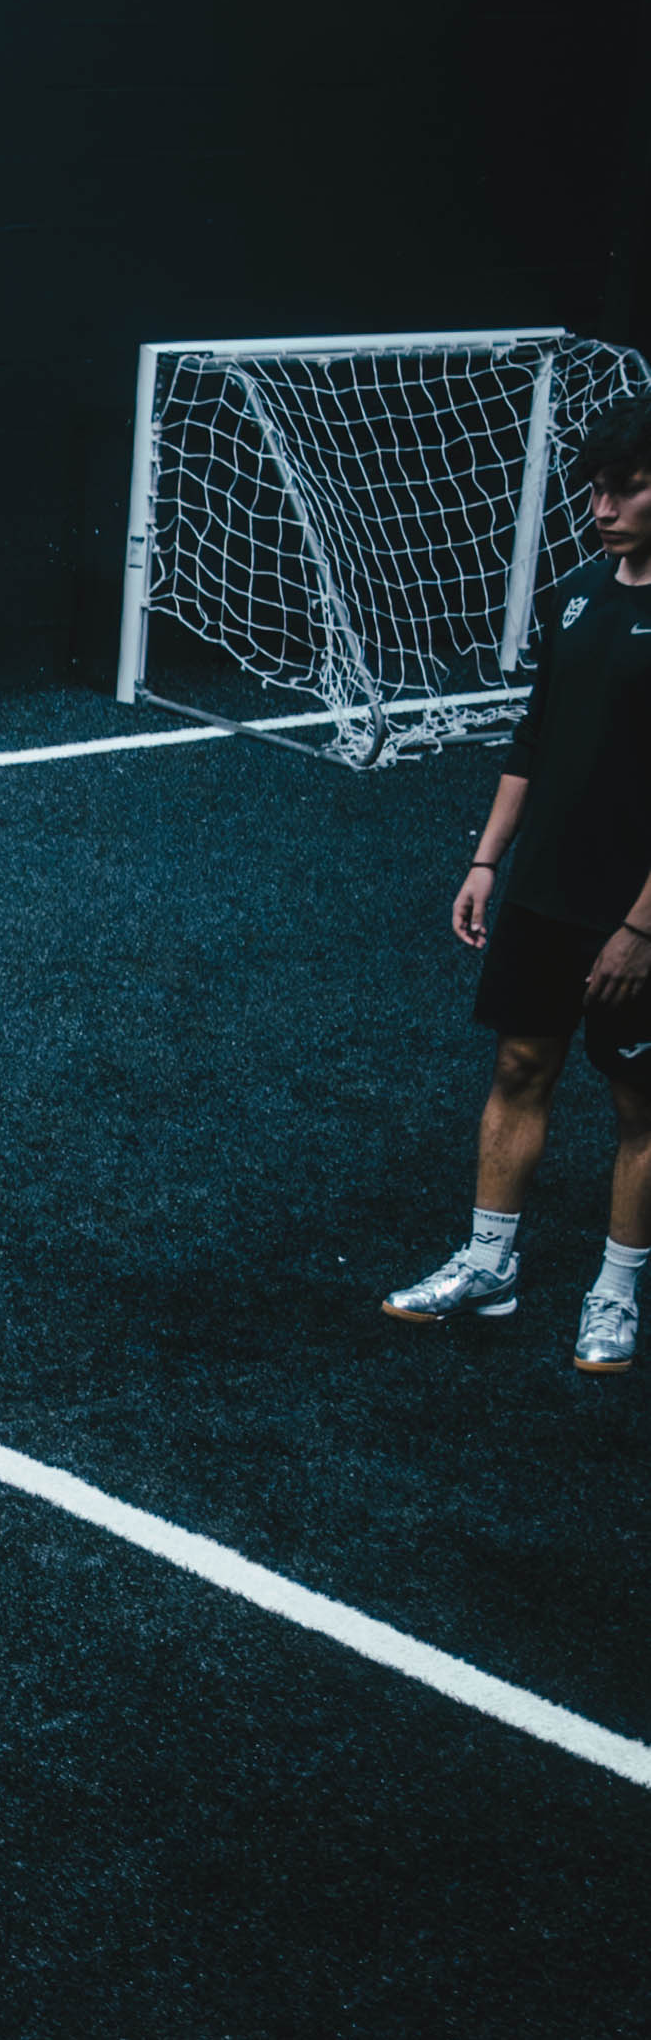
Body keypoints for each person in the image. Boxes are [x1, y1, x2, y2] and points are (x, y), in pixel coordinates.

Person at [381, 402, 651, 1371]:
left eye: (624, 489)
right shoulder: (574, 596)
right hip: (540, 891)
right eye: (593, 489)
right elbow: (532, 740)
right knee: (516, 1070)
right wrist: (486, 860)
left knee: (637, 1105)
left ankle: (614, 1294)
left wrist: (638, 930)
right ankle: (487, 1264)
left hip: (632, 915)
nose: (600, 507)